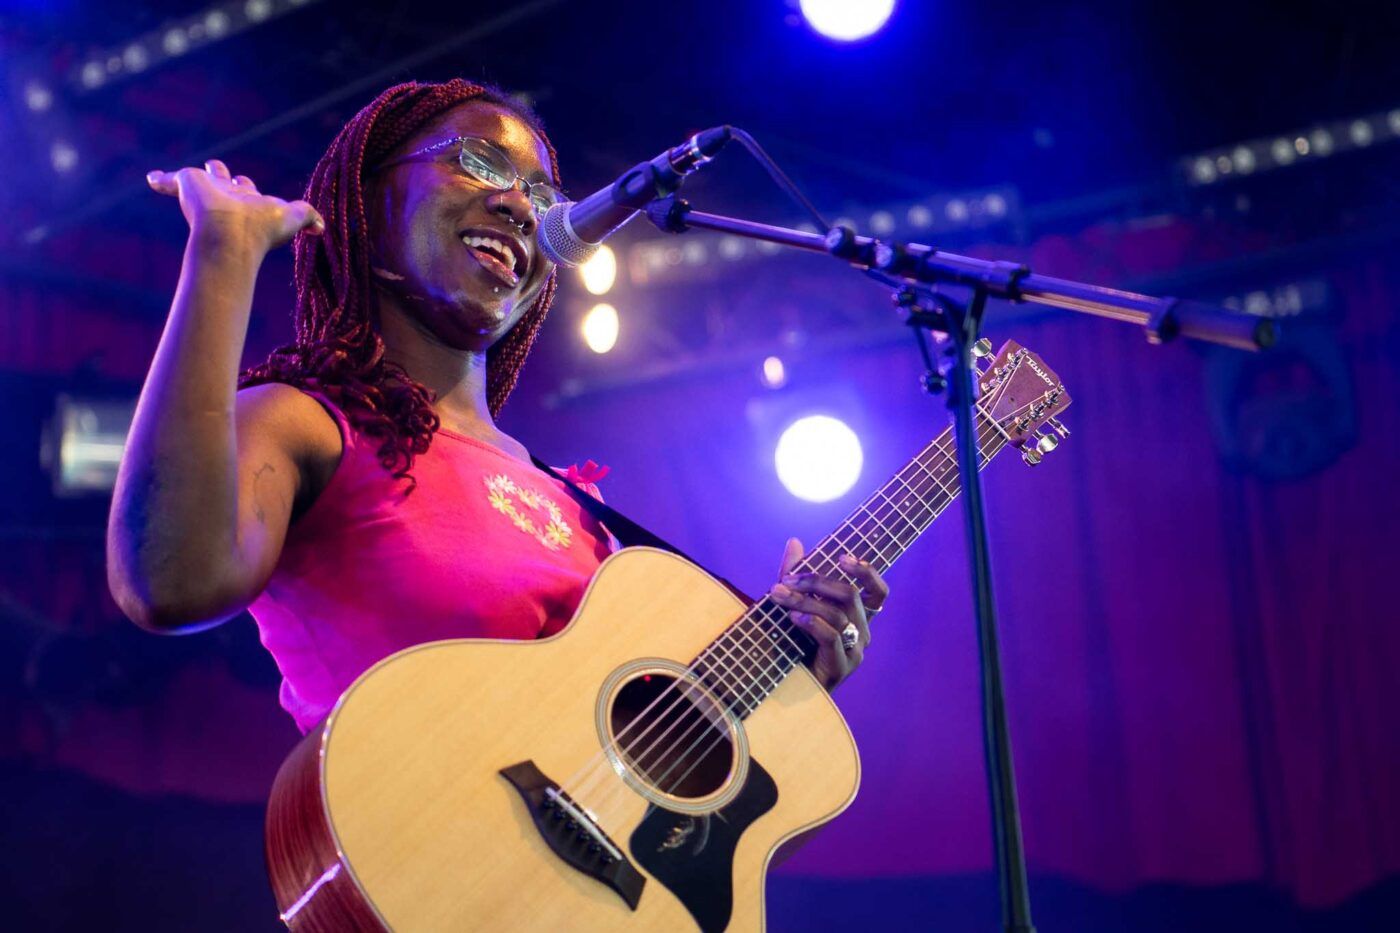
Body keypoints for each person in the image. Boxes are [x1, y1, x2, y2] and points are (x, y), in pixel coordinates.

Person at [106, 78, 887, 734]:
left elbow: (642, 793)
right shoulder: (304, 421)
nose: (522, 207)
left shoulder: (578, 506)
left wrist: (786, 684)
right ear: (369, 206)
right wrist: (223, 255)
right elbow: (171, 581)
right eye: (477, 163)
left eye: (544, 196)